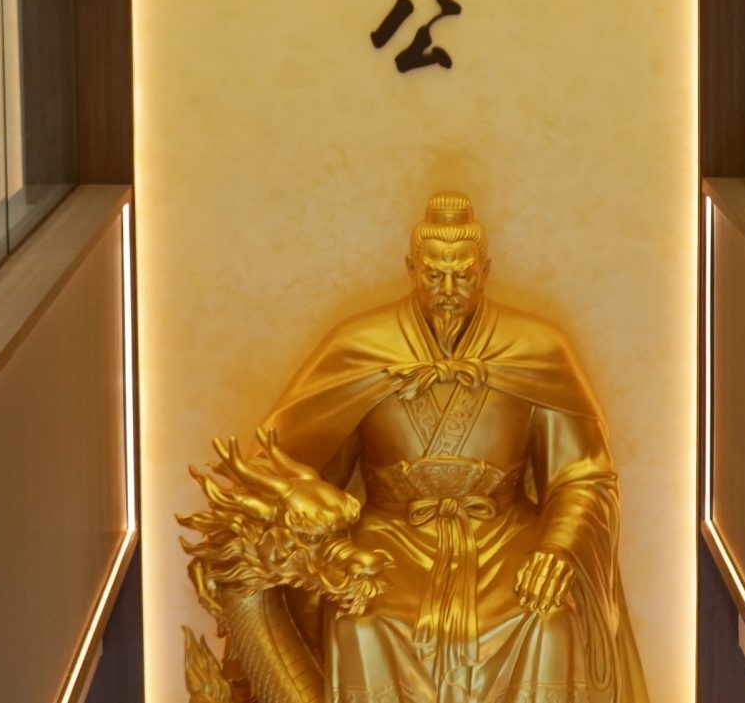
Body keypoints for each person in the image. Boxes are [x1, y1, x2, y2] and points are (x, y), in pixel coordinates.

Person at [255, 191, 648, 703]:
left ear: (485, 270)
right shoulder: (360, 346)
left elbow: (581, 475)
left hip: (505, 535)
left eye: (462, 276)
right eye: (433, 275)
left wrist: (558, 549)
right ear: (410, 268)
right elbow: (295, 463)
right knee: (361, 620)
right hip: (392, 536)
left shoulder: (536, 348)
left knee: (547, 617)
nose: (447, 290)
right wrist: (328, 542)